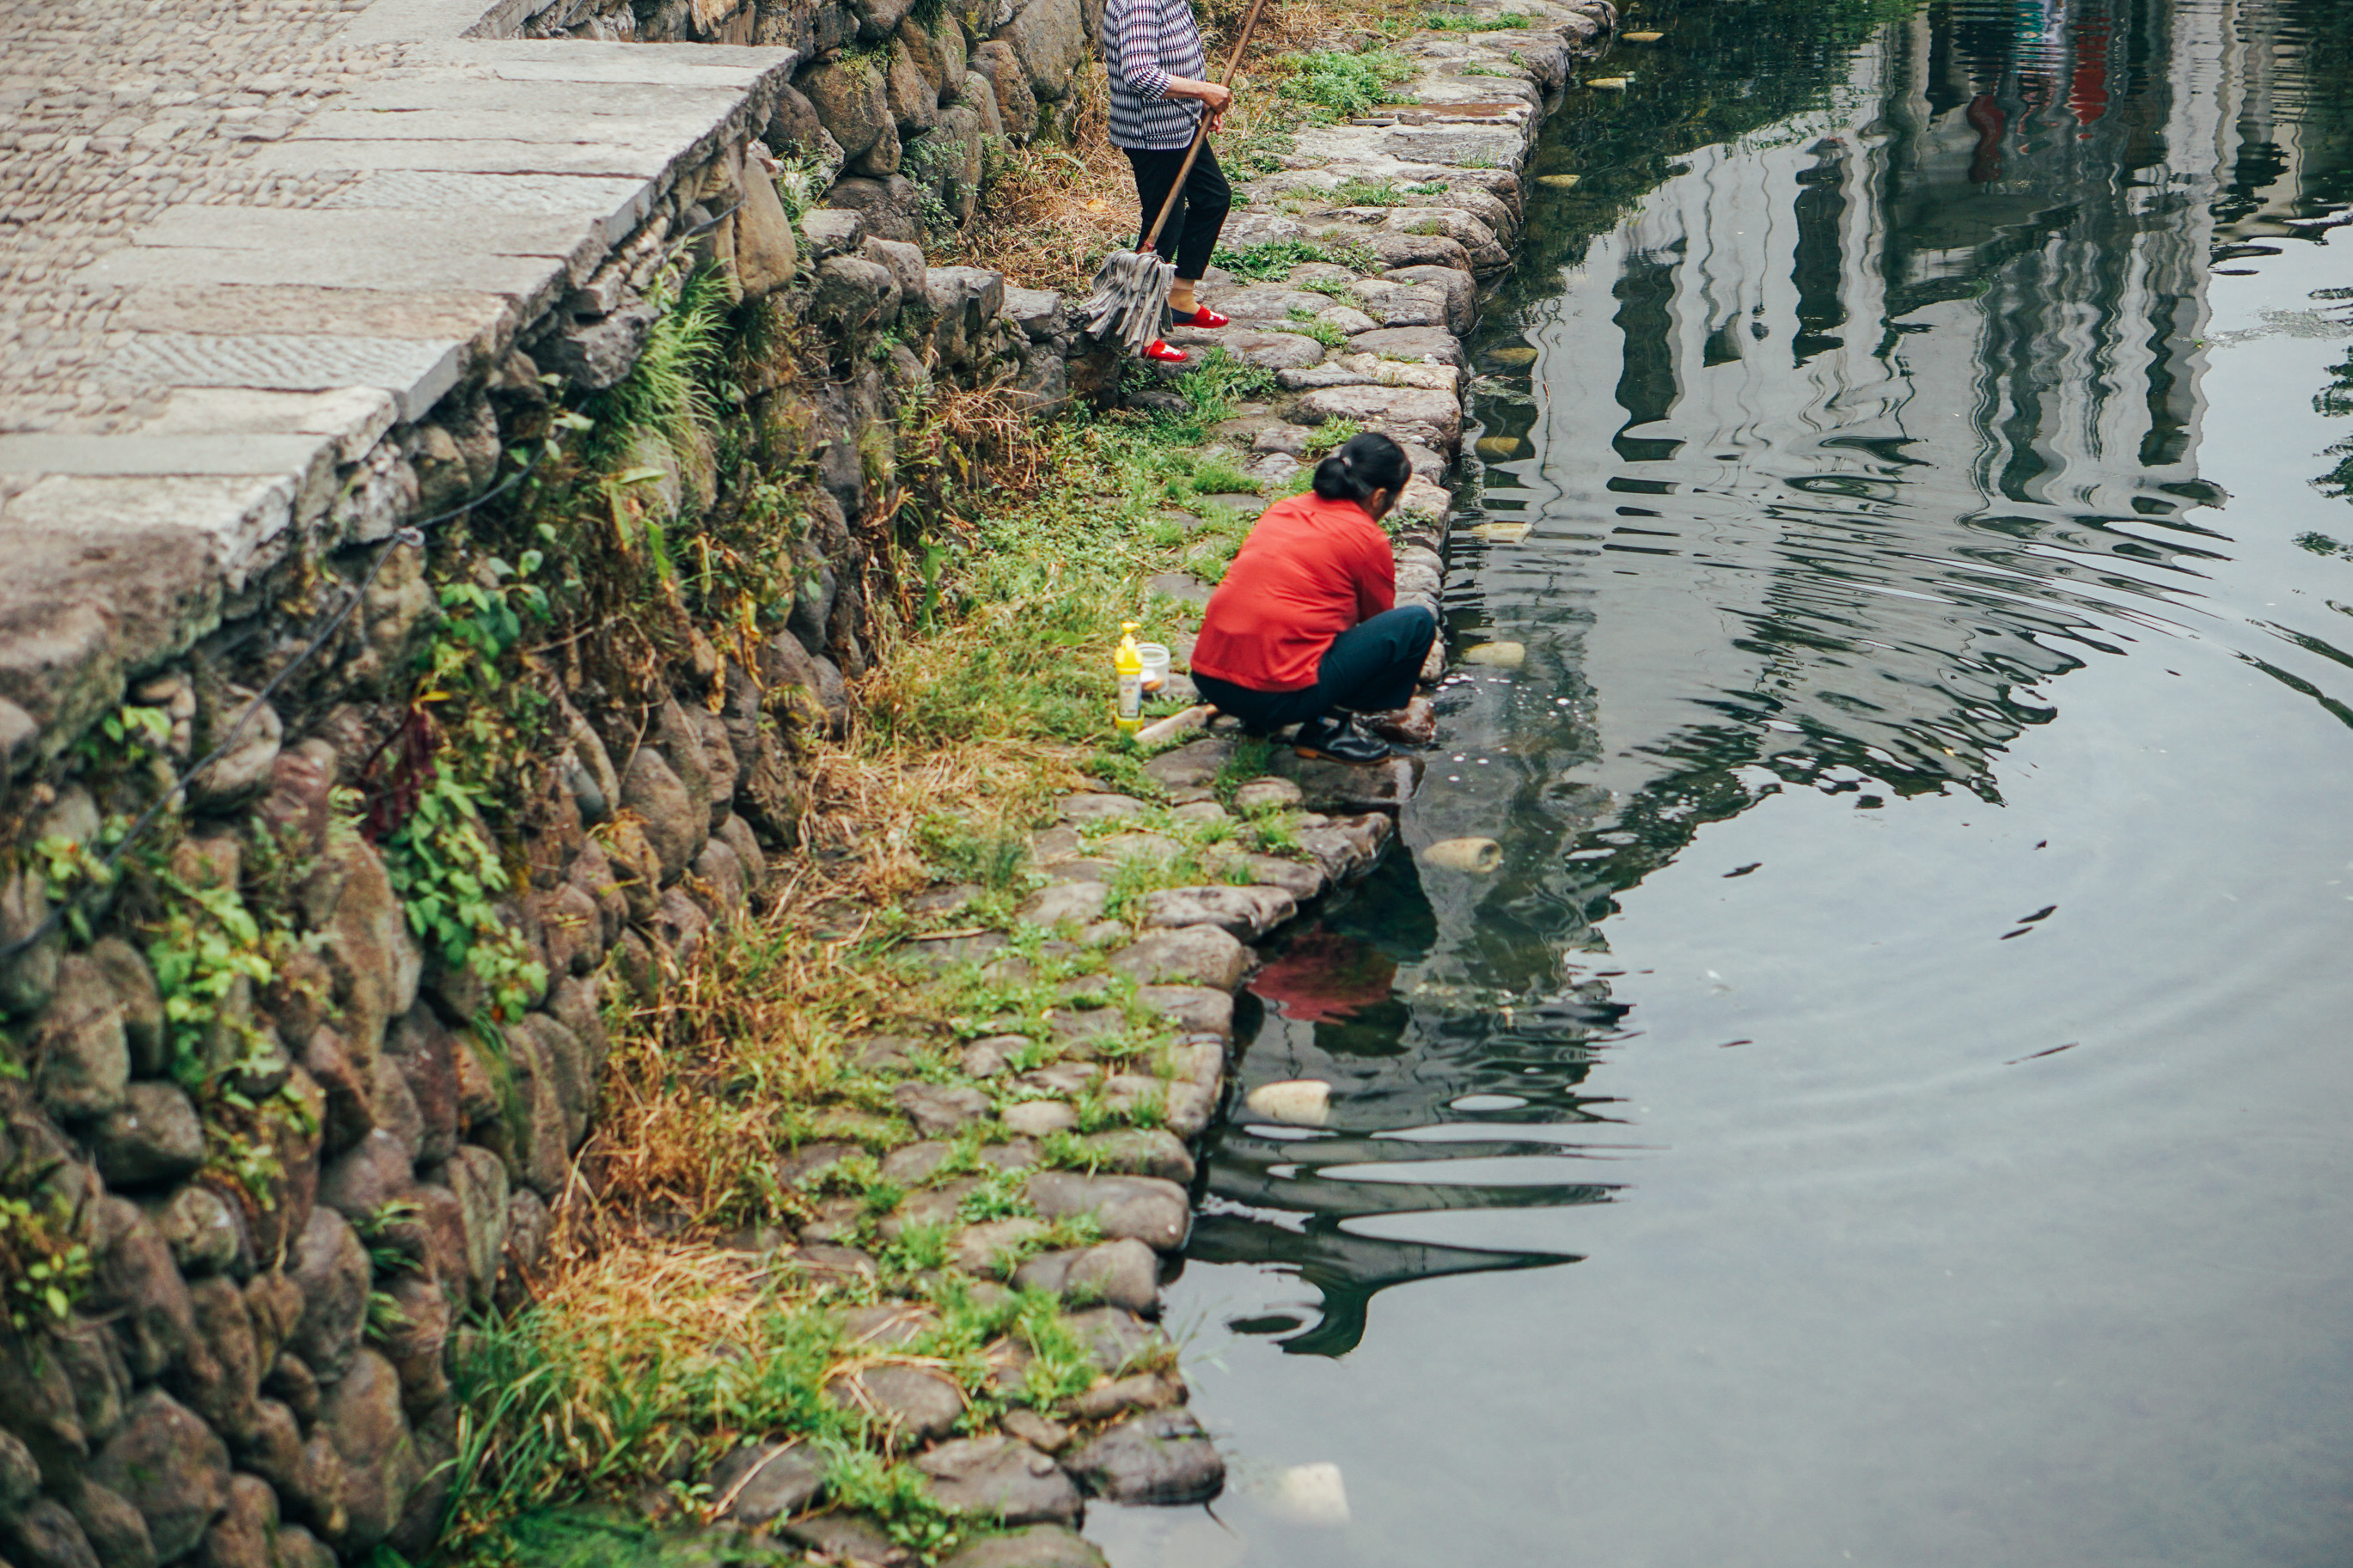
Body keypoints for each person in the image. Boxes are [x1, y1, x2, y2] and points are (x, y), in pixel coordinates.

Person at [1189, 432, 1438, 764]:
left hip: (1211, 680)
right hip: (1273, 697)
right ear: (1379, 497)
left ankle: (1260, 716)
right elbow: (1380, 624)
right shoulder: (1367, 537)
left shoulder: (1285, 508)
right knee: (1415, 624)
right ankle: (1328, 728)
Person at [1102, 0, 1235, 364]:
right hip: (1152, 133)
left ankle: (1180, 298)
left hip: (1181, 125)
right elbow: (1140, 74)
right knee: (1164, 224)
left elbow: (1176, 55)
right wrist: (1202, 91)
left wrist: (1200, 104)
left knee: (1213, 198)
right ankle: (1136, 325)